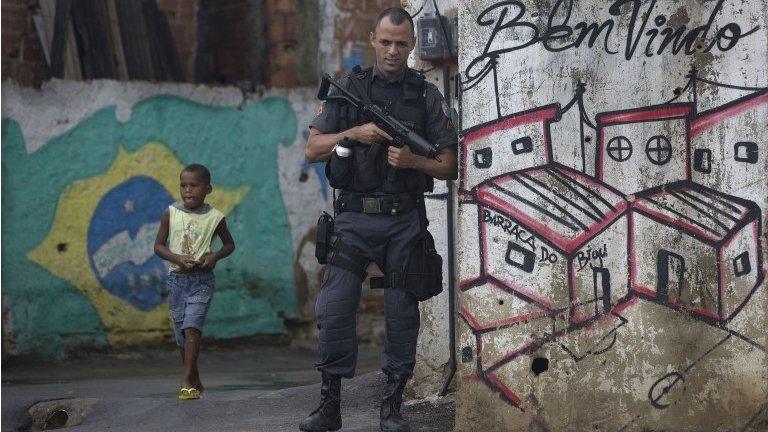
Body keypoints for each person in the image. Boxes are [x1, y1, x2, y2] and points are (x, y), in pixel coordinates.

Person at [301, 7, 458, 432]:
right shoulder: (349, 88)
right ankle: (329, 407)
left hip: (403, 222)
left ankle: (392, 409)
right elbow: (313, 150)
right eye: (386, 42)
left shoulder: (425, 96)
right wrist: (351, 134)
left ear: (411, 46)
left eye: (402, 44)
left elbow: (448, 165)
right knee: (334, 308)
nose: (392, 51)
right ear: (372, 39)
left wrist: (413, 161)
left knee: (402, 313)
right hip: (353, 220)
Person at [153, 164, 235, 400]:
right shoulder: (171, 213)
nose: (187, 190)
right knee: (181, 334)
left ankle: (185, 379)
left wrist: (214, 256)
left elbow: (229, 245)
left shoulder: (215, 217)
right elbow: (158, 246)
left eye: (194, 186)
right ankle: (194, 377)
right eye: (183, 185)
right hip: (177, 281)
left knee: (192, 327)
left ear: (208, 189)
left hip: (202, 280)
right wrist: (177, 258)